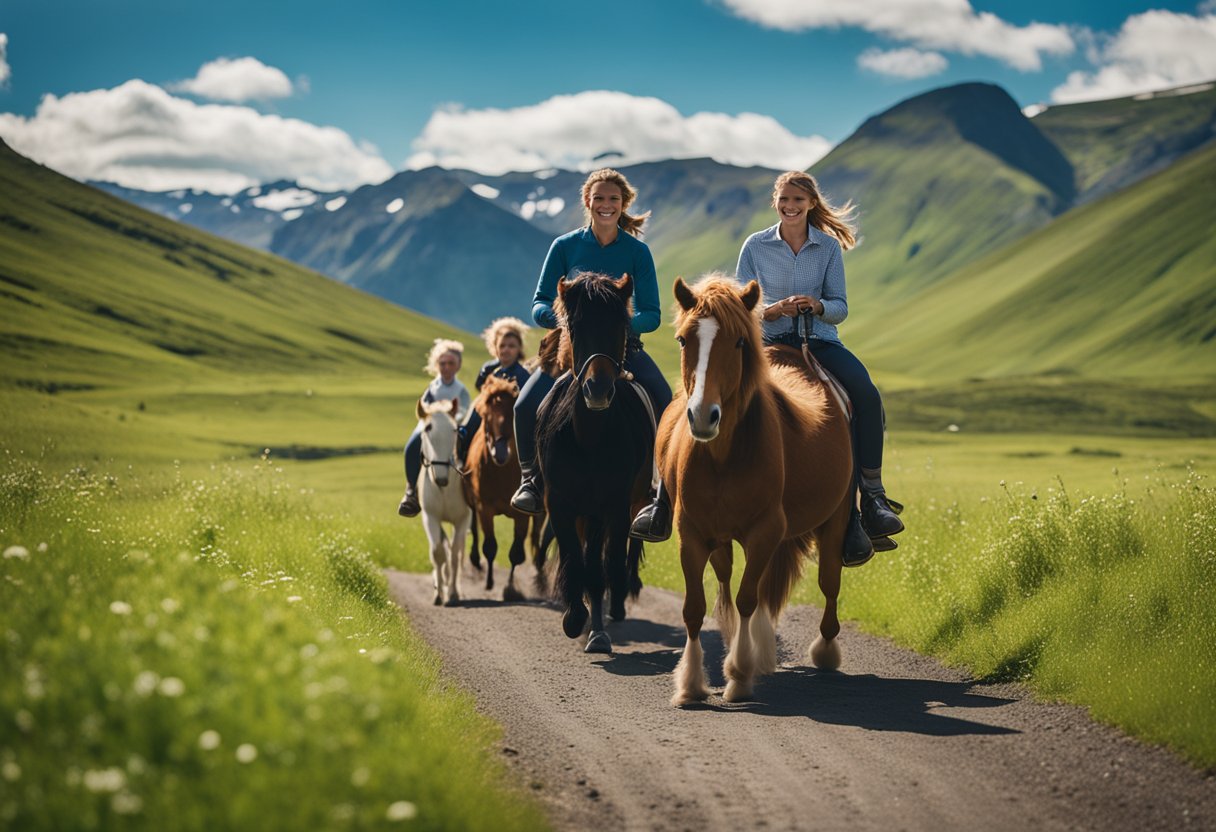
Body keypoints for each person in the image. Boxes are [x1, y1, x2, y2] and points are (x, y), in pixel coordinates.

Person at [735, 170, 904, 564]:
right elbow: (740, 304)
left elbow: (841, 307)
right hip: (768, 343)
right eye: (784, 200)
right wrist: (773, 310)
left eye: (798, 200)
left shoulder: (827, 248)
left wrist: (818, 305)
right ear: (774, 202)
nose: (790, 206)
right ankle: (676, 493)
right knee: (710, 392)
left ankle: (873, 498)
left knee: (866, 395)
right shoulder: (754, 246)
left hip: (820, 342)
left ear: (811, 203)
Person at [510, 168, 674, 542]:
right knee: (524, 406)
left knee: (665, 403)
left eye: (613, 199)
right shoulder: (565, 246)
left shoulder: (637, 252)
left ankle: (656, 496)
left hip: (621, 348)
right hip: (570, 348)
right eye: (599, 198)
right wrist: (569, 320)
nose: (606, 205)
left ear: (623, 204)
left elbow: (651, 313)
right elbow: (538, 303)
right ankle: (531, 482)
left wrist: (616, 324)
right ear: (587, 202)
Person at [398, 339, 471, 517]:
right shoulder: (433, 387)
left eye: (451, 363)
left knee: (469, 452)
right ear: (437, 364)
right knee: (411, 448)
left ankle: (471, 493)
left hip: (452, 428)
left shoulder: (461, 390)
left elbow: (463, 410)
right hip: (429, 425)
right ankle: (411, 491)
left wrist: (452, 421)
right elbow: (424, 406)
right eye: (442, 363)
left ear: (458, 365)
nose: (446, 367)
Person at [456, 317, 532, 464]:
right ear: (495, 348)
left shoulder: (522, 374)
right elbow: (479, 385)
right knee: (473, 414)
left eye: (511, 346)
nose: (506, 350)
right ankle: (463, 450)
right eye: (502, 346)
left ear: (519, 349)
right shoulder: (490, 369)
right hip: (490, 410)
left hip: (511, 414)